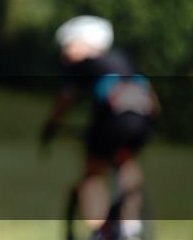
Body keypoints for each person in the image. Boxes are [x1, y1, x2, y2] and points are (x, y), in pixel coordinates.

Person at [42, 15, 160, 240]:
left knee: (93, 174)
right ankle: (131, 227)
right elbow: (153, 100)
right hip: (141, 119)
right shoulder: (124, 58)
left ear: (84, 43)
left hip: (111, 122)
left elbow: (65, 100)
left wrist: (51, 126)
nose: (64, 53)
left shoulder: (84, 64)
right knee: (127, 161)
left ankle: (100, 232)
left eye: (68, 45)